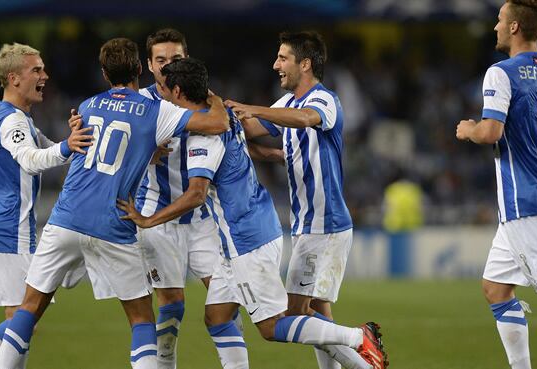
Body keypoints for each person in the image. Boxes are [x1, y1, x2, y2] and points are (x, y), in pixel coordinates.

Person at [118, 57, 387, 369]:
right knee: (217, 317)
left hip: (246, 239)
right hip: (255, 226)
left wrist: (148, 219)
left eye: (166, 90)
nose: (163, 95)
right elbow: (236, 143)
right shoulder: (222, 116)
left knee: (272, 327)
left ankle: (357, 337)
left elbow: (196, 194)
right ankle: (363, 365)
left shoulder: (201, 136)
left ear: (178, 91)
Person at [0, 37, 230, 369]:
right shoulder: (155, 110)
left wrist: (148, 151)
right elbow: (218, 123)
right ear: (138, 68)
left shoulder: (87, 107)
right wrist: (213, 97)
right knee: (142, 320)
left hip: (65, 219)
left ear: (104, 74)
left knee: (28, 310)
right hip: (113, 223)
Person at [225, 31, 378, 369]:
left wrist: (250, 107)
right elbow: (250, 128)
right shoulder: (287, 104)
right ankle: (362, 360)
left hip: (325, 225)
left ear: (304, 63)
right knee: (318, 313)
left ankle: (363, 351)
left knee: (295, 315)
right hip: (310, 224)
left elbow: (305, 119)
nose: (275, 65)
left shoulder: (323, 100)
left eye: (283, 58)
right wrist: (212, 110)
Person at [455, 1, 537, 367]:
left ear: (514, 28)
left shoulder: (501, 73)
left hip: (526, 203)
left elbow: (491, 131)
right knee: (495, 288)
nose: (495, 26)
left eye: (499, 20)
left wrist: (468, 130)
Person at [0, 42, 93, 369]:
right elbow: (32, 160)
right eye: (36, 70)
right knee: (23, 317)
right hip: (9, 228)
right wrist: (68, 147)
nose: (45, 75)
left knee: (24, 318)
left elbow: (47, 148)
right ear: (14, 78)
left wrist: (71, 141)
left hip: (8, 227)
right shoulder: (11, 121)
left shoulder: (17, 118)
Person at [134, 28, 242, 369]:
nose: (167, 66)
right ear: (149, 65)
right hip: (158, 215)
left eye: (175, 60)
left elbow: (226, 126)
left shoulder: (205, 99)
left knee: (226, 298)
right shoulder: (140, 105)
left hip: (200, 217)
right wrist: (144, 152)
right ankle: (165, 363)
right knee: (172, 304)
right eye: (161, 60)